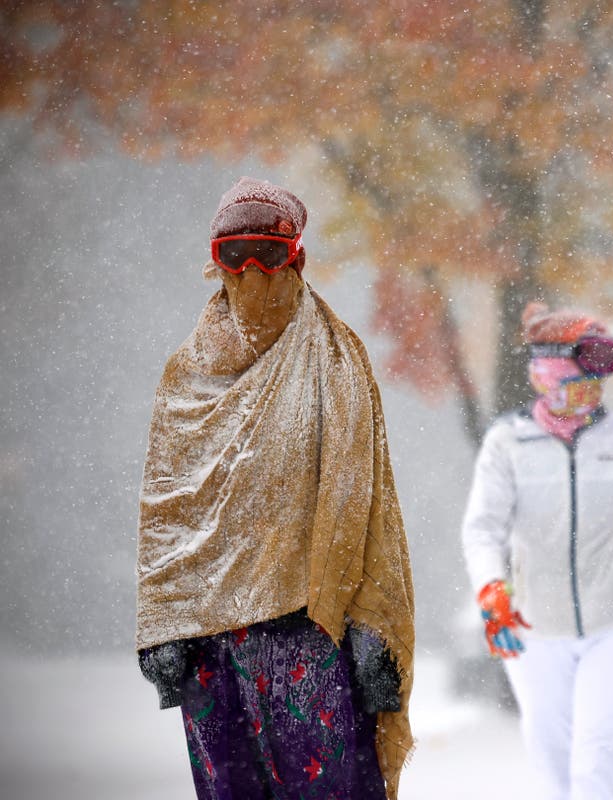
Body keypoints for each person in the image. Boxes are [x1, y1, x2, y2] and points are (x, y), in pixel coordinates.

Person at [135, 177, 416, 800]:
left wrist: (375, 629)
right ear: (216, 266)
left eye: (270, 253)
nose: (254, 273)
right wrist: (161, 623)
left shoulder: (338, 363)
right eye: (234, 257)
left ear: (298, 258)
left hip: (311, 637)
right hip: (212, 648)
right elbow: (166, 509)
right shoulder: (187, 375)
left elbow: (367, 505)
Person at [460, 302, 613, 800]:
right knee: (553, 764)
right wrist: (492, 593)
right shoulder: (508, 444)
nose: (591, 397)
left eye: (597, 385)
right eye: (578, 385)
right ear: (546, 380)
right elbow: (483, 530)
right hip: (534, 629)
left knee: (598, 761)